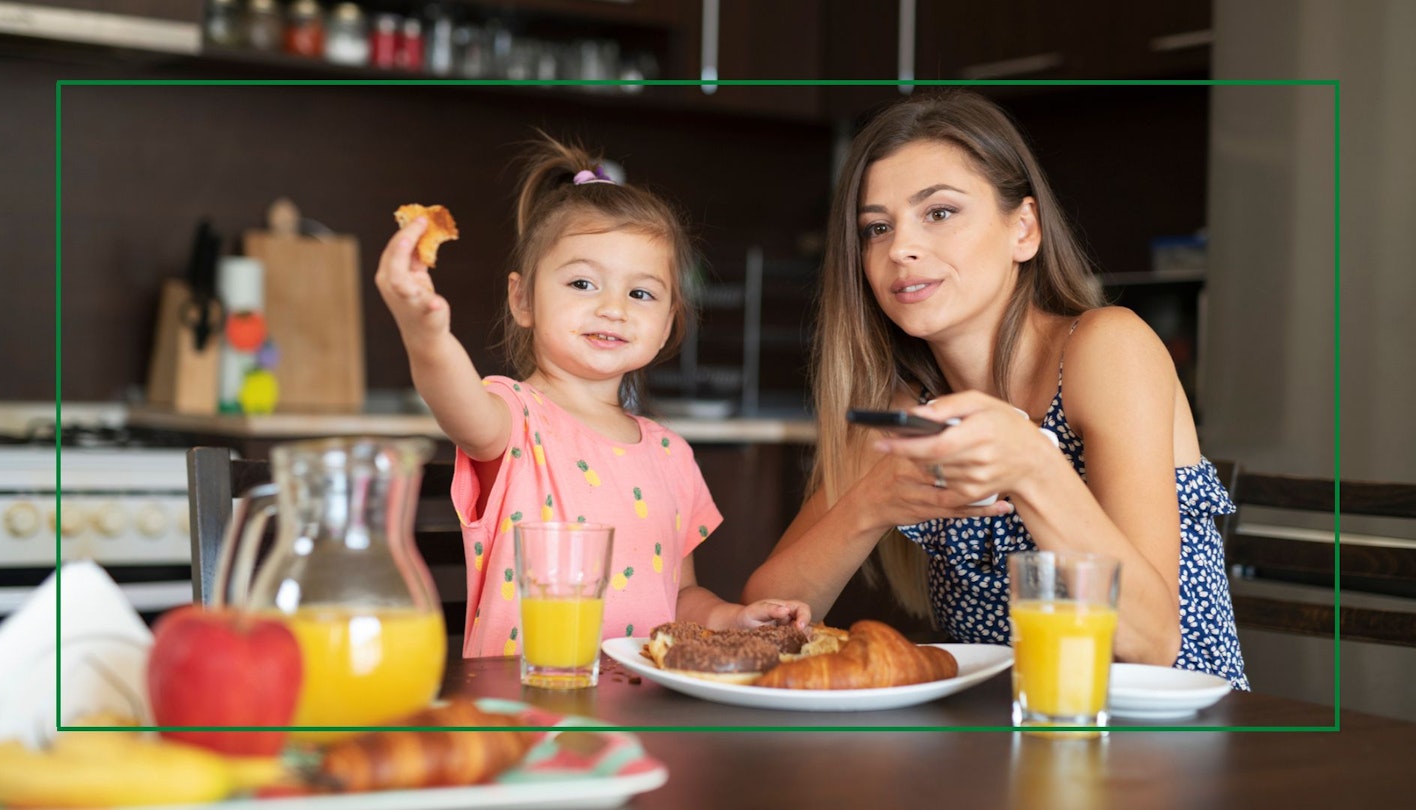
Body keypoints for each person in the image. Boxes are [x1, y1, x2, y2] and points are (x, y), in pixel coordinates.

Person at [743, 90, 1248, 688]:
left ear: (1024, 230)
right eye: (876, 227)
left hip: (1168, 743)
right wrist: (870, 503)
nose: (899, 246)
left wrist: (1034, 468)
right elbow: (761, 623)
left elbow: (1151, 642)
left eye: (939, 213)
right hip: (1008, 743)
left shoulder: (1107, 348)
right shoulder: (907, 408)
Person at [377, 133, 810, 658]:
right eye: (583, 284)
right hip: (524, 711)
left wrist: (732, 618)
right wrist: (425, 334)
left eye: (641, 293)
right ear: (522, 299)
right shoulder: (512, 417)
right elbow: (455, 400)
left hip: (640, 710)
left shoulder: (671, 455)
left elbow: (679, 596)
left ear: (669, 320)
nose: (613, 308)